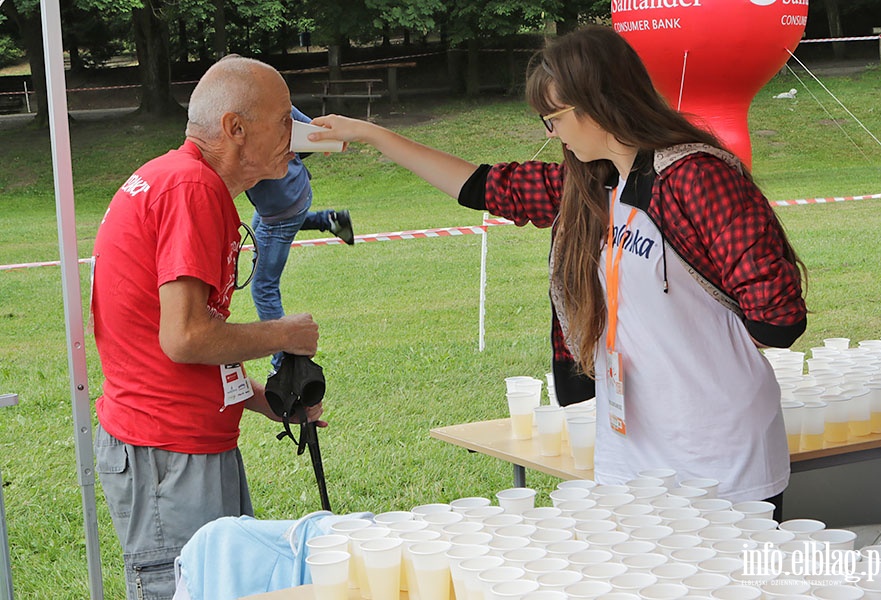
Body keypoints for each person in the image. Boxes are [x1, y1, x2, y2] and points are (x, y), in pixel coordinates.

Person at [308, 25, 807, 514]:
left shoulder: (697, 177)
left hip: (720, 457)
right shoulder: (594, 185)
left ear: (598, 102)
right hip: (631, 452)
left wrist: (697, 344)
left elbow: (778, 320)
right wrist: (373, 135)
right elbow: (481, 187)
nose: (551, 133)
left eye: (555, 117)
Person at [91, 56, 324, 600]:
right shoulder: (190, 189)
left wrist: (264, 398)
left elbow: (180, 337)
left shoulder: (183, 180)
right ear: (235, 129)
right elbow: (186, 337)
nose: (299, 133)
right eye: (286, 120)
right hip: (167, 450)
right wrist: (282, 334)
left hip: (181, 443)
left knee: (222, 584)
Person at [245, 104, 354, 371]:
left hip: (282, 208)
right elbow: (312, 134)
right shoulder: (275, 99)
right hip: (296, 193)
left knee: (263, 287)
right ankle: (330, 220)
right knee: (261, 231)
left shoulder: (237, 120)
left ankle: (285, 363)